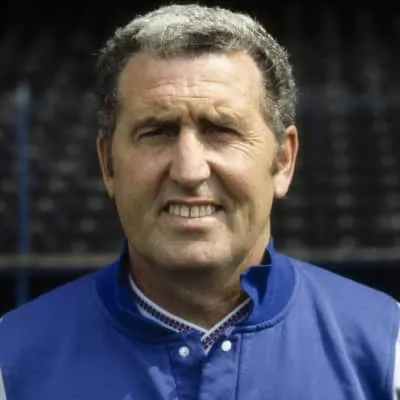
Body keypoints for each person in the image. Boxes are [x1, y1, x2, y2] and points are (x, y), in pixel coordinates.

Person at [0, 3, 399, 399]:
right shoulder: (11, 364)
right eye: (157, 132)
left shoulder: (388, 350)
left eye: (221, 130)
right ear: (108, 164)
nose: (189, 171)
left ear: (282, 161)